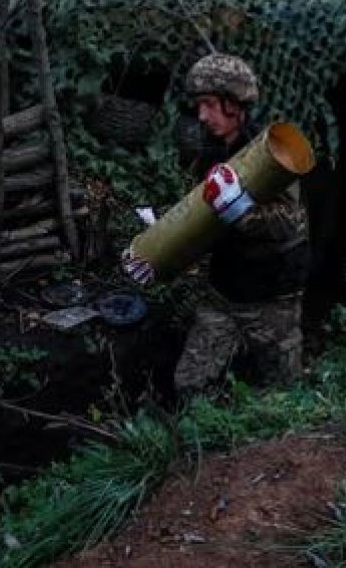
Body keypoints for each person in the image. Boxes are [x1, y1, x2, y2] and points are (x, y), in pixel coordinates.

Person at [123, 53, 310, 396]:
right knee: (190, 385)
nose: (202, 116)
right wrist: (156, 255)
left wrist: (239, 210)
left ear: (234, 103)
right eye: (198, 106)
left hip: (272, 299)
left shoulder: (269, 155)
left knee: (284, 394)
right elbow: (200, 224)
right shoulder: (208, 156)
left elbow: (288, 225)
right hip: (224, 295)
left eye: (209, 104)